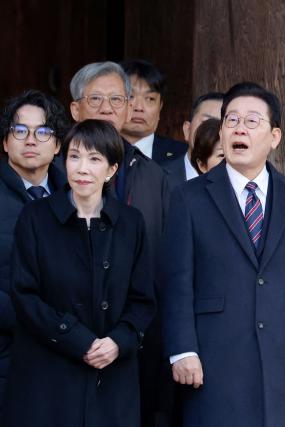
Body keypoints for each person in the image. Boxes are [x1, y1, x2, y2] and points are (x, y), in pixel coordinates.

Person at [161, 82, 285, 427]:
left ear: (274, 136)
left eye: (252, 121)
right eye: (231, 120)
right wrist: (183, 350)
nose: (239, 128)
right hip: (212, 357)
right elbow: (176, 283)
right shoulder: (189, 197)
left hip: (283, 358)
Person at [2, 119, 156, 427]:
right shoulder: (36, 218)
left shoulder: (131, 223)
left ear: (112, 169)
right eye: (75, 157)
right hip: (47, 377)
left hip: (111, 378)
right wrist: (77, 339)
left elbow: (142, 299)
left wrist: (117, 342)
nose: (82, 168)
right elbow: (24, 294)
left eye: (94, 159)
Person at [69, 61, 172, 427]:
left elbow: (163, 258)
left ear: (129, 108)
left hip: (134, 334)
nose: (108, 108)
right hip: (70, 336)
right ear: (75, 108)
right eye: (96, 98)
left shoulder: (155, 174)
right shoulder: (56, 168)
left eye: (117, 99)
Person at [0, 90, 69, 416]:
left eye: (43, 132)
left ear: (57, 145)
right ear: (5, 142)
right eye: (20, 130)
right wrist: (41, 324)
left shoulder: (76, 194)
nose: (31, 139)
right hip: (7, 351)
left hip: (68, 356)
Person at [120, 59, 187, 164]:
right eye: (130, 96)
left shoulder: (184, 155)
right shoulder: (96, 151)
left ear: (160, 107)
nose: (139, 107)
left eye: (150, 99)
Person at [164, 92, 224, 182]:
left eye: (223, 124)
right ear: (187, 130)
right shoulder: (158, 177)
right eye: (207, 122)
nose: (215, 131)